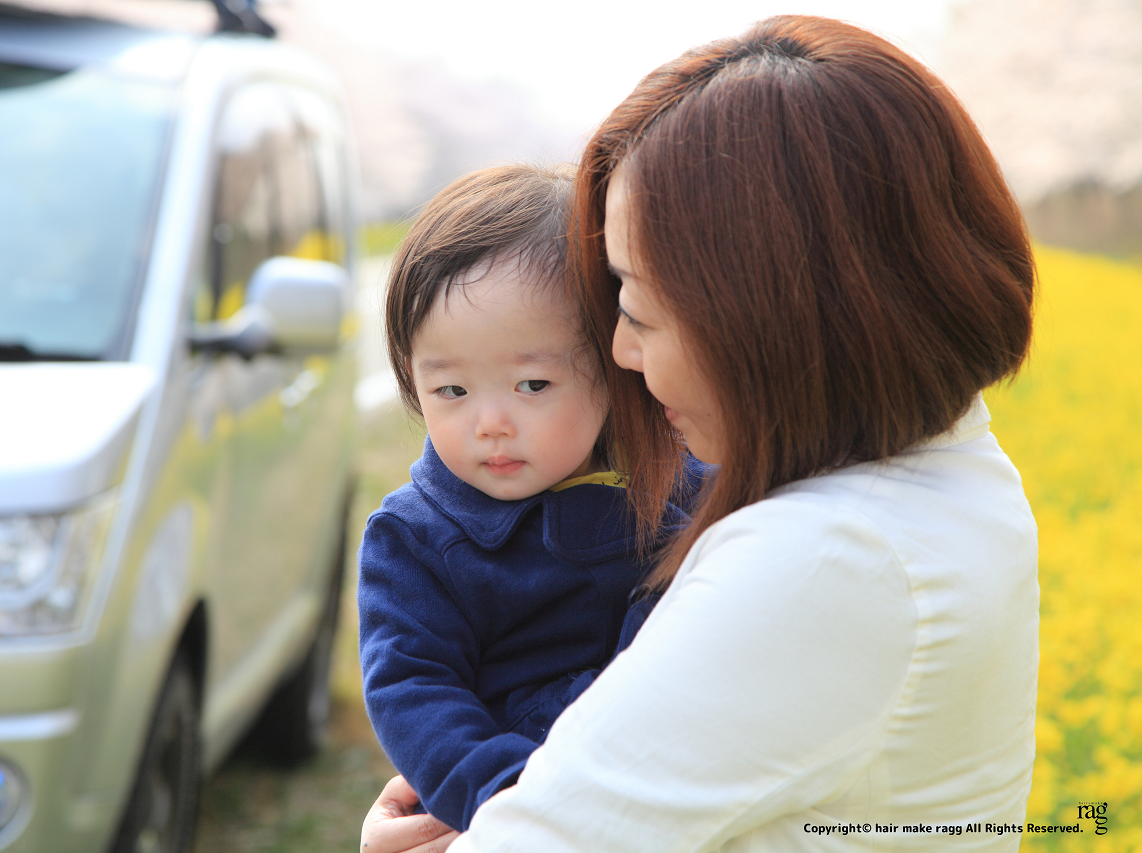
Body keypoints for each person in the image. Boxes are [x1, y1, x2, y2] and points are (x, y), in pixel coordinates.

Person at [361, 14, 1039, 853]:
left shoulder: (829, 558)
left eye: (640, 310)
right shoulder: (949, 470)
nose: (621, 352)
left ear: (763, 315)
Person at [358, 164, 705, 833]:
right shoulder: (417, 537)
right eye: (451, 391)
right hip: (515, 805)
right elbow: (412, 688)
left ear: (612, 366)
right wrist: (505, 796)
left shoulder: (683, 480)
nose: (490, 423)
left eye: (533, 385)